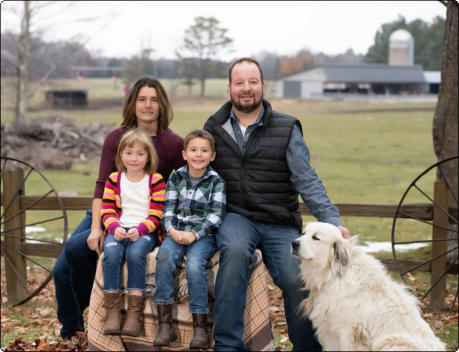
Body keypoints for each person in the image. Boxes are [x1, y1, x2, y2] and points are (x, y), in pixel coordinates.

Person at [203, 57, 351, 351]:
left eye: (253, 82)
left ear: (262, 85)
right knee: (232, 254)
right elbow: (199, 171)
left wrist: (332, 220)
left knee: (295, 277)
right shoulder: (214, 126)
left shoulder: (286, 127)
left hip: (280, 220)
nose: (247, 89)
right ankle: (227, 346)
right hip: (236, 216)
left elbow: (306, 179)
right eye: (240, 82)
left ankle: (307, 348)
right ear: (230, 87)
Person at [52, 77, 185, 339]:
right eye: (142, 99)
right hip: (108, 212)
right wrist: (95, 228)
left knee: (80, 255)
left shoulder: (173, 144)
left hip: (146, 219)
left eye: (154, 99)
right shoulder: (116, 138)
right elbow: (102, 184)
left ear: (162, 104)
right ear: (133, 103)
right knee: (64, 265)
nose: (148, 105)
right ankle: (72, 332)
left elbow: (181, 190)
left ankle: (103, 304)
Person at [153, 130, 226, 349]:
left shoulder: (216, 181)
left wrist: (194, 234)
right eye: (193, 150)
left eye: (204, 151)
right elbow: (167, 210)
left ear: (212, 155)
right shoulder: (176, 178)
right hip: (176, 232)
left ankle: (200, 329)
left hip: (203, 235)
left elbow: (217, 214)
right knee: (164, 257)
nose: (198, 155)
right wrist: (172, 231)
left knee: (195, 266)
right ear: (184, 154)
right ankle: (165, 325)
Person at [101, 128, 165, 337]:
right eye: (129, 153)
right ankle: (112, 311)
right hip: (119, 228)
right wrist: (114, 228)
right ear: (121, 155)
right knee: (110, 254)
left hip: (144, 230)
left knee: (135, 254)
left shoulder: (155, 180)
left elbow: (157, 214)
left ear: (149, 156)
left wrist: (140, 229)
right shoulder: (114, 179)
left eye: (140, 153)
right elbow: (107, 210)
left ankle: (133, 313)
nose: (134, 158)